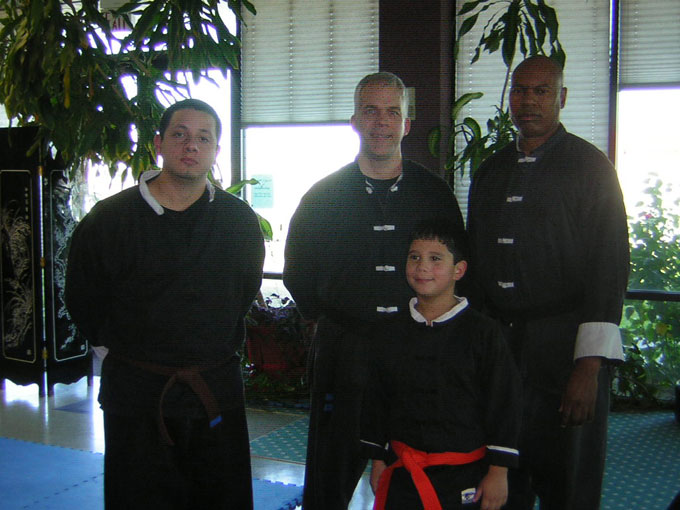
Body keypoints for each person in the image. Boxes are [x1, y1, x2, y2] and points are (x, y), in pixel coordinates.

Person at [65, 98, 265, 510]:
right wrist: (120, 350)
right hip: (136, 393)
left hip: (215, 390)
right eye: (179, 134)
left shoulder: (238, 221)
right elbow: (83, 298)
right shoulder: (110, 219)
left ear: (215, 150)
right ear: (158, 143)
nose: (191, 146)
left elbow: (243, 292)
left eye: (203, 138)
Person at [284, 72, 465, 510]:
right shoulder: (323, 196)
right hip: (343, 351)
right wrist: (330, 319)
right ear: (354, 121)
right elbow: (298, 271)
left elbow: (457, 271)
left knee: (417, 476)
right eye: (370, 111)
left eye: (391, 112)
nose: (381, 122)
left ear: (406, 124)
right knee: (329, 479)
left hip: (417, 350)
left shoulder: (434, 194)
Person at [467, 55, 630, 510]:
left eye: (541, 91)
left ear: (562, 98)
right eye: (520, 90)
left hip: (566, 352)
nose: (529, 101)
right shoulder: (491, 171)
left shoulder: (591, 167)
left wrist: (589, 367)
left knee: (569, 485)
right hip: (502, 350)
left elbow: (610, 268)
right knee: (501, 479)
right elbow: (474, 269)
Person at [360, 219, 521, 510]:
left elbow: (503, 403)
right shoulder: (388, 332)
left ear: (459, 270)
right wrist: (378, 460)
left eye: (435, 259)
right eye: (414, 257)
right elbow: (376, 401)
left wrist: (498, 471)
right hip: (403, 470)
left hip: (465, 474)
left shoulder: (484, 332)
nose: (422, 267)